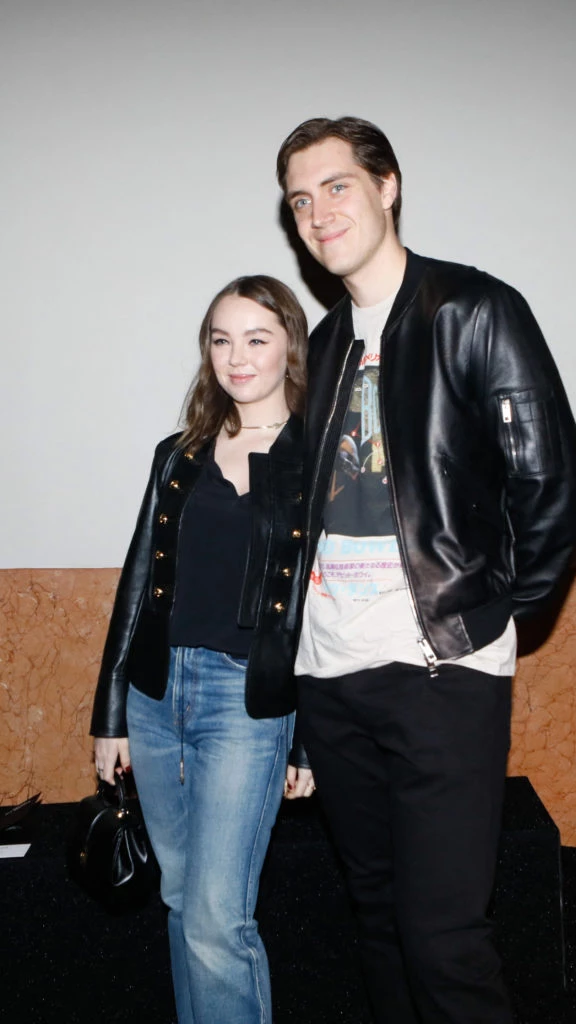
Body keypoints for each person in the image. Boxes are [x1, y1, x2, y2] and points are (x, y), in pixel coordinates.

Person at [276, 117, 576, 1023]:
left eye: (336, 185)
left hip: (439, 667)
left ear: (387, 186)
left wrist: (491, 615)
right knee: (374, 916)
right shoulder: (329, 340)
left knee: (443, 935)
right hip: (330, 672)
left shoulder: (473, 308)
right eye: (300, 199)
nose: (317, 211)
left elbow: (552, 481)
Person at [90, 275, 314, 1024]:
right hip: (156, 699)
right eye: (221, 339)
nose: (236, 355)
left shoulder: (317, 462)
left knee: (220, 918)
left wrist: (305, 742)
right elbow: (137, 584)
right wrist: (111, 713)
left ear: (289, 345)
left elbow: (325, 610)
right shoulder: (177, 454)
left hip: (243, 704)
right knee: (182, 900)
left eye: (256, 337)